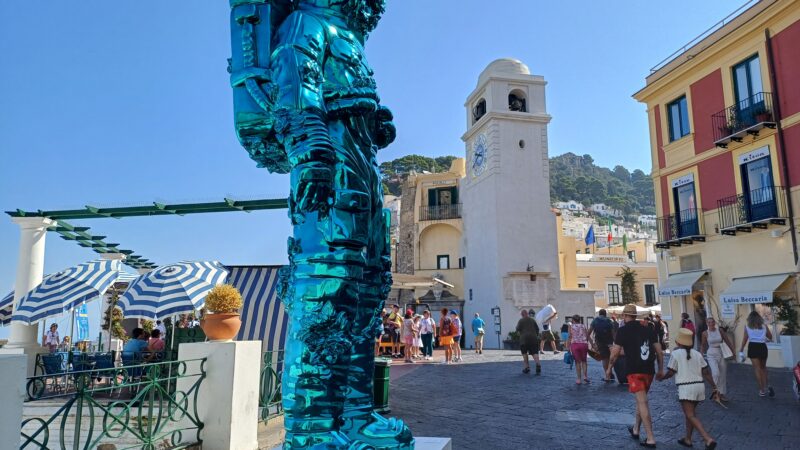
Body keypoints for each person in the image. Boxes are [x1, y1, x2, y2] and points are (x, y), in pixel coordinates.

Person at [607, 304, 664, 448]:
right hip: (649, 371)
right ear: (635, 316)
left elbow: (614, 353)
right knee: (641, 399)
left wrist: (609, 369)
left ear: (625, 316)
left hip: (634, 371)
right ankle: (636, 429)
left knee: (643, 402)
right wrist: (660, 369)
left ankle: (650, 438)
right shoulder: (648, 330)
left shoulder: (622, 331)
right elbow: (659, 351)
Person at [658, 329, 718, 449]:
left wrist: (662, 378)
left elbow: (671, 372)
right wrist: (714, 386)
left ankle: (707, 438)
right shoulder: (697, 354)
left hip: (686, 388)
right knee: (690, 414)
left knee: (690, 415)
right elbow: (706, 372)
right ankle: (688, 439)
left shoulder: (676, 354)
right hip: (699, 386)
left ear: (678, 342)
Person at [739, 310, 774, 397]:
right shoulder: (764, 326)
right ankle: (768, 385)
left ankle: (762, 390)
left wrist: (741, 350)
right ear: (759, 318)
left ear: (749, 319)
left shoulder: (747, 326)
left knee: (757, 369)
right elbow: (770, 337)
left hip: (753, 347)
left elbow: (744, 339)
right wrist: (763, 337)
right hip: (762, 347)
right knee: (763, 368)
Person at [701, 317, 735, 402]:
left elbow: (727, 341)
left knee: (723, 374)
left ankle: (721, 394)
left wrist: (733, 351)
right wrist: (700, 356)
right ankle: (715, 392)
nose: (711, 324)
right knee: (716, 373)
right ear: (707, 323)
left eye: (712, 322)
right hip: (711, 353)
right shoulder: (705, 333)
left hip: (721, 352)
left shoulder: (720, 330)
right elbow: (703, 345)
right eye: (709, 322)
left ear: (714, 322)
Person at [589, 309, 615, 382]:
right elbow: (613, 333)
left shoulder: (595, 320)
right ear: (605, 314)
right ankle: (610, 372)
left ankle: (607, 376)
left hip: (600, 342)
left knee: (604, 358)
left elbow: (588, 333)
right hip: (609, 341)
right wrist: (615, 342)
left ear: (599, 314)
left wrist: (592, 343)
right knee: (610, 357)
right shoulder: (609, 321)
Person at [567, 314, 591, 384]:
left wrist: (568, 347)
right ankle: (585, 376)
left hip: (575, 345)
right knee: (584, 361)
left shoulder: (571, 326)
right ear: (579, 320)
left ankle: (578, 379)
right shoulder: (583, 326)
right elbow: (587, 335)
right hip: (584, 344)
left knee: (577, 362)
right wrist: (592, 344)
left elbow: (569, 337)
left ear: (573, 320)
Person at [516, 309, 541, 375]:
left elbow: (517, 329)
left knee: (524, 353)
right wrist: (536, 335)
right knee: (534, 352)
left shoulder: (521, 321)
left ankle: (527, 367)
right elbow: (537, 329)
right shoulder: (533, 320)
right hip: (533, 338)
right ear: (527, 314)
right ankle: (538, 364)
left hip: (524, 339)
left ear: (522, 314)